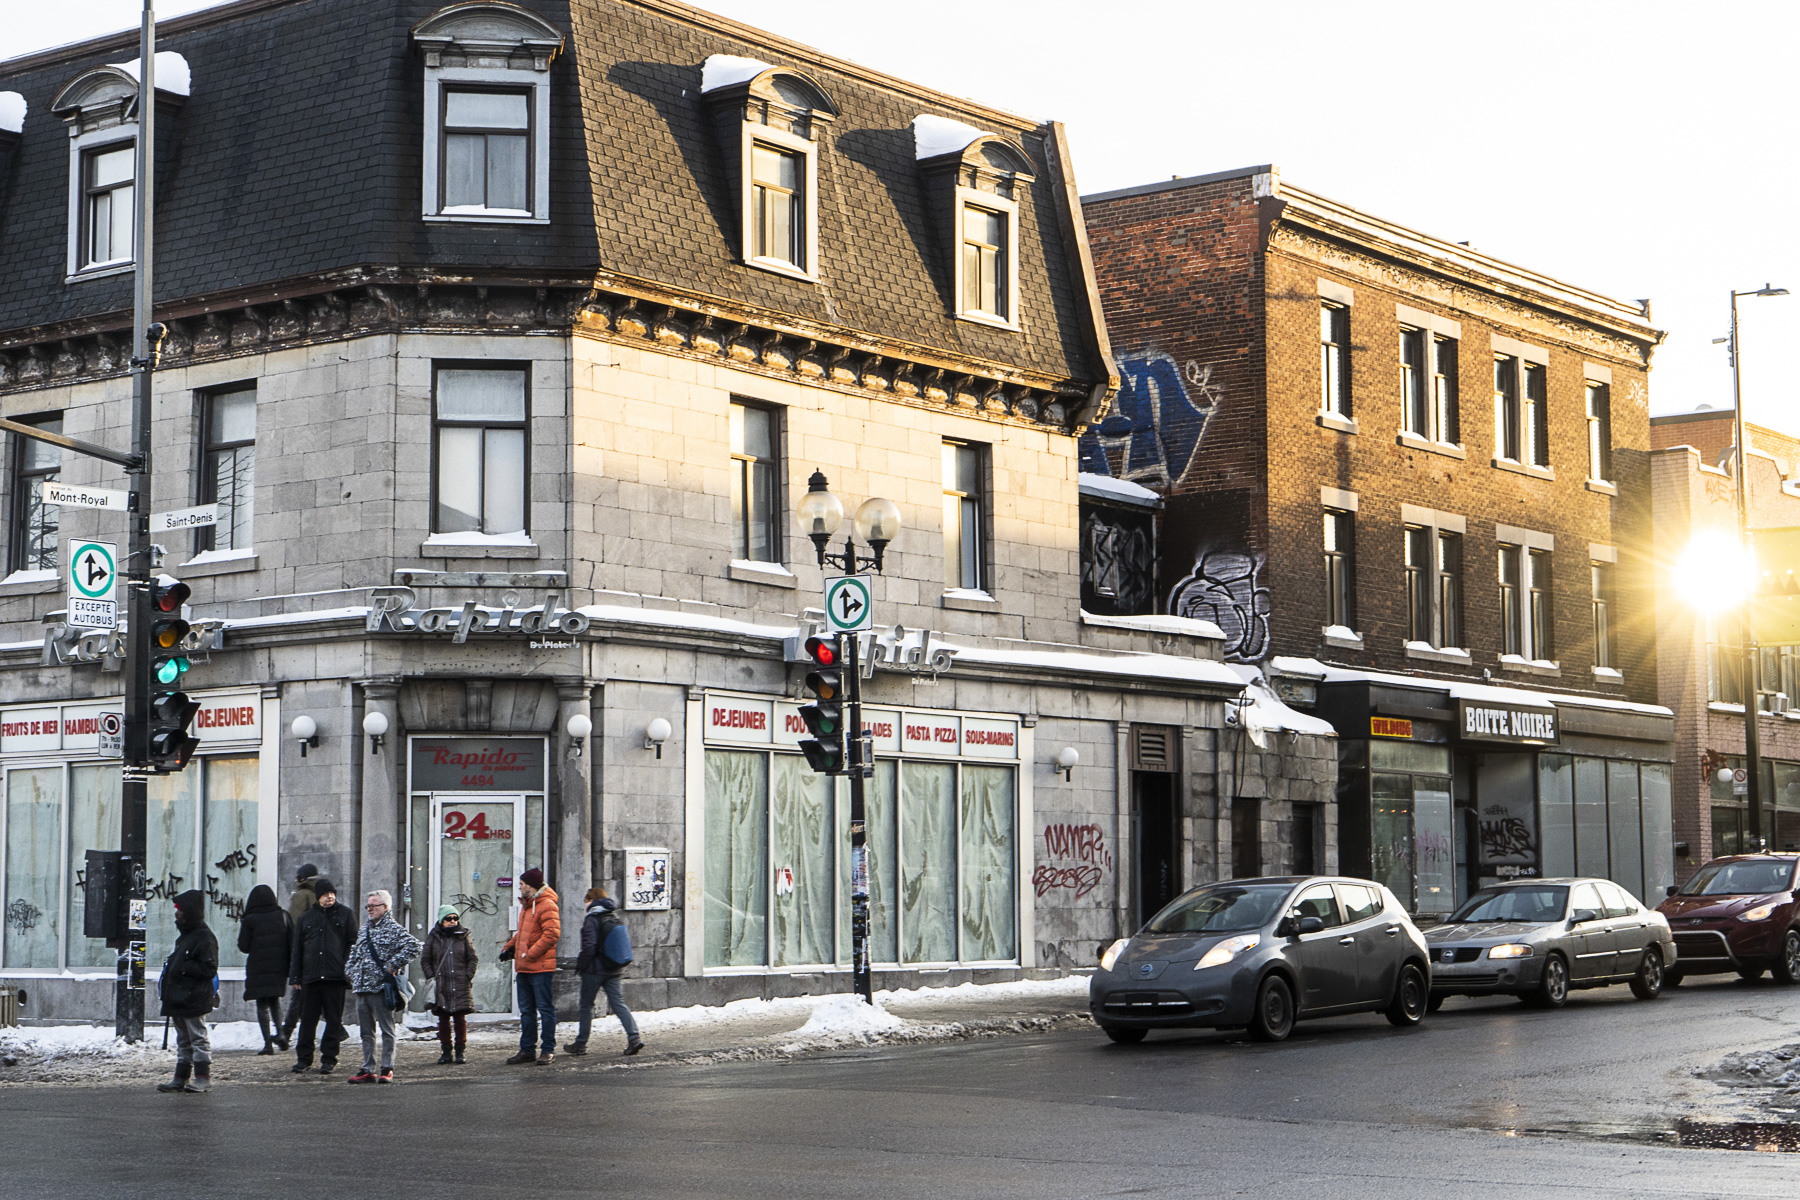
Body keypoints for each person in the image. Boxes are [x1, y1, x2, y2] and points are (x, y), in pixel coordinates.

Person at [345, 890, 422, 1084]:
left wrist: (394, 964)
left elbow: (414, 946)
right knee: (365, 1032)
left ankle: (387, 1068)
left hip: (381, 988)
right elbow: (356, 951)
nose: (369, 909)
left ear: (385, 907)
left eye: (373, 906)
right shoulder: (364, 929)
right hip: (362, 988)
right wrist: (350, 969)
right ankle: (368, 1068)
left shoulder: (394, 929)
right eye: (368, 906)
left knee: (387, 1030)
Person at [288, 877, 357, 1075]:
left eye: (332, 894)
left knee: (334, 1020)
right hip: (311, 976)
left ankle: (329, 1058)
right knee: (307, 1020)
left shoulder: (345, 914)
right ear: (318, 897)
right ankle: (304, 1059)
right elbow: (297, 950)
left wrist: (346, 967)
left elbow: (353, 944)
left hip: (335, 977)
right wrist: (295, 977)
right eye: (326, 895)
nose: (329, 898)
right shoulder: (306, 918)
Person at [565, 887, 643, 1058]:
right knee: (618, 1003)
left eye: (586, 900)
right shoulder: (612, 916)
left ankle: (581, 1044)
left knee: (586, 1005)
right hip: (614, 968)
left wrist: (582, 965)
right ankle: (634, 1037)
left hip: (594, 970)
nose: (585, 904)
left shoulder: (592, 919)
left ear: (591, 900)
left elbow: (589, 947)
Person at [157, 890, 219, 1094]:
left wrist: (184, 967)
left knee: (197, 1037)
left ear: (189, 913)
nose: (177, 915)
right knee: (183, 1039)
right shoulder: (186, 936)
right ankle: (180, 1077)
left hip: (193, 997)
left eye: (180, 911)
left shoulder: (204, 937)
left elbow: (209, 969)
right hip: (179, 997)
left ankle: (203, 1077)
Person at [501, 867, 560, 1065]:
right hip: (525, 967)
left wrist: (529, 954)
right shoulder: (528, 906)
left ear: (531, 886)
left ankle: (547, 1049)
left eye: (522, 884)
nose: (519, 887)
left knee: (545, 1009)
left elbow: (552, 934)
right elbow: (524, 933)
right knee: (526, 1011)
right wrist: (509, 947)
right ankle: (527, 1049)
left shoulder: (547, 904)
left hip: (541, 968)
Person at [238, 884, 293, 1054]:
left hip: (258, 967)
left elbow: (243, 946)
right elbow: (291, 940)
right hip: (279, 967)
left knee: (262, 1005)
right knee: (275, 1001)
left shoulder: (250, 919)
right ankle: (281, 1033)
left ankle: (267, 1044)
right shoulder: (282, 915)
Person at [421, 904, 479, 1064]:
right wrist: (432, 977)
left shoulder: (464, 935)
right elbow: (425, 960)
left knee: (460, 1019)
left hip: (460, 983)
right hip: (442, 985)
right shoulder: (433, 937)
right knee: (443, 1019)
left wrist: (467, 976)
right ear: (442, 920)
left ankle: (460, 1051)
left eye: (455, 918)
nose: (453, 921)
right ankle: (446, 1051)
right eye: (449, 919)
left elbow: (473, 958)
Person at [278, 863, 320, 1046]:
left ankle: (286, 1032)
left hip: (304, 952)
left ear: (303, 879)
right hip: (319, 950)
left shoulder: (301, 895)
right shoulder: (320, 894)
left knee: (299, 992)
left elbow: (294, 925)